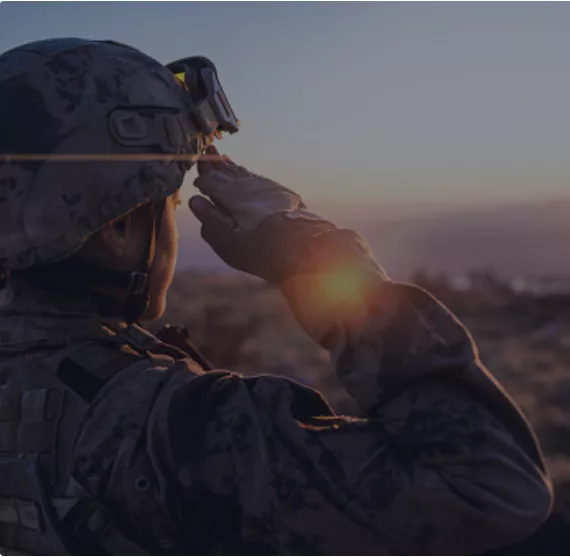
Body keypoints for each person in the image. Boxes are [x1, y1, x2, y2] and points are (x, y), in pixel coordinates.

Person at [0, 37, 552, 555]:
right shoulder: (179, 429)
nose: (174, 221)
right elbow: (495, 488)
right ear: (119, 227)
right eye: (168, 203)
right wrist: (320, 256)